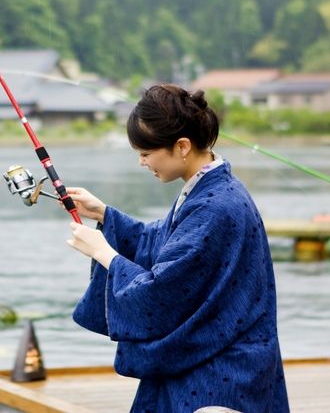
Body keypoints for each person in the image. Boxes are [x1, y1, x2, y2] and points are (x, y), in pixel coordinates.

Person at [65, 84, 289, 413]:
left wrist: (104, 253)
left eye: (145, 153)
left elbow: (163, 289)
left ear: (181, 146)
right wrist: (103, 213)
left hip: (223, 372)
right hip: (212, 353)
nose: (141, 162)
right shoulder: (210, 188)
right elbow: (164, 242)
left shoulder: (215, 204)